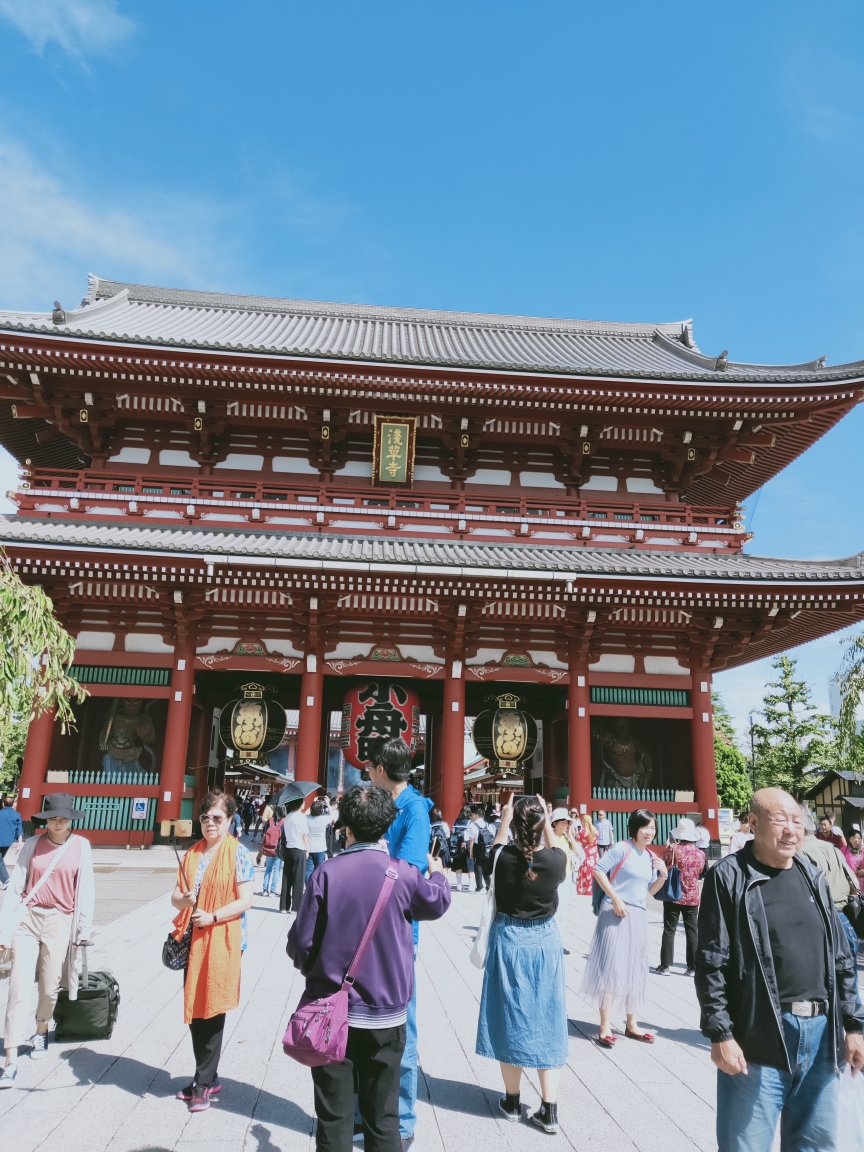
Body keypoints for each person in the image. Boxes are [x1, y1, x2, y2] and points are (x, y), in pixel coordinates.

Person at [695, 787, 864, 1152]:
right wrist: (720, 1034)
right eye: (780, 819)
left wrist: (853, 1025)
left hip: (821, 1038)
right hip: (760, 1039)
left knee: (816, 1147)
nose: (792, 829)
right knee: (746, 1146)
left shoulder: (811, 874)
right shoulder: (729, 877)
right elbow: (711, 962)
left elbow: (842, 957)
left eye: (797, 820)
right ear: (753, 823)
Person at [287, 785, 450, 1152]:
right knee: (384, 1118)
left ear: (345, 827)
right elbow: (437, 903)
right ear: (386, 825)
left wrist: (315, 972)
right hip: (387, 1017)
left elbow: (299, 943)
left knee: (333, 1118)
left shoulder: (326, 874)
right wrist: (438, 874)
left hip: (332, 1014)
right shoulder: (404, 874)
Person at [475, 794, 568, 1134]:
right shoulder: (556, 862)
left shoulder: (501, 857)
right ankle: (549, 1108)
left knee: (508, 1015)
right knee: (548, 1017)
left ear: (514, 824)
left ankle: (512, 1101)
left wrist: (504, 819)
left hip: (508, 940)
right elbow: (555, 848)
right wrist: (544, 819)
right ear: (543, 824)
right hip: (544, 942)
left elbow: (495, 848)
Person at [366, 736, 433, 1152]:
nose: (368, 775)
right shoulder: (381, 803)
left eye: (370, 768)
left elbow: (409, 871)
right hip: (364, 923)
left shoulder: (414, 811)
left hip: (397, 928)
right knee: (361, 1022)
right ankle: (362, 1112)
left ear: (381, 770)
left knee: (400, 1024)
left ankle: (403, 1120)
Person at [0, 793, 95, 1088]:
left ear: (71, 819)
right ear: (46, 819)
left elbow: (86, 890)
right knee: (17, 988)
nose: (58, 822)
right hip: (29, 918)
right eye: (53, 817)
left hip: (60, 920)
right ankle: (10, 1059)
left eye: (63, 818)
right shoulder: (32, 845)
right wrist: (4, 931)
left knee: (50, 986)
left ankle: (41, 1029)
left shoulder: (81, 846)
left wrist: (82, 933)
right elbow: (16, 888)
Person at [169, 789, 255, 1112]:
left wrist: (214, 915)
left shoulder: (238, 853)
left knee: (213, 1006)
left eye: (217, 818)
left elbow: (246, 900)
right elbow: (175, 897)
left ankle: (202, 1082)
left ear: (231, 820)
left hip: (223, 935)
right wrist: (186, 901)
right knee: (195, 1007)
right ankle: (208, 1073)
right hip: (194, 938)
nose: (210, 824)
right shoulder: (192, 854)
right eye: (205, 818)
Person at [580, 809, 668, 1047]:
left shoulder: (650, 856)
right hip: (615, 913)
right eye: (645, 827)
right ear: (634, 828)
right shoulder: (622, 848)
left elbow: (647, 892)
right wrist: (616, 899)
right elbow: (598, 870)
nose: (649, 832)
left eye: (653, 828)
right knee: (612, 968)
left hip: (637, 915)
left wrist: (663, 875)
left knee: (635, 968)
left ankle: (632, 1024)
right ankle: (605, 1025)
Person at [798, 804, 860, 956]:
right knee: (847, 974)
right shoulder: (832, 848)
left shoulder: (797, 854)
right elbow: (854, 885)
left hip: (815, 920)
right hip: (842, 917)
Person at [652, 817, 705, 977]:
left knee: (669, 929)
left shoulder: (672, 848)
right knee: (692, 930)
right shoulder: (700, 853)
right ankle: (693, 967)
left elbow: (660, 863)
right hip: (693, 896)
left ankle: (665, 965)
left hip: (673, 894)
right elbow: (701, 871)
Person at [550, 807, 578, 950]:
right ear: (555, 823)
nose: (566, 825)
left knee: (563, 911)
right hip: (555, 879)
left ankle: (559, 940)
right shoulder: (551, 838)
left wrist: (571, 836)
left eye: (567, 823)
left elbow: (579, 853)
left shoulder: (566, 839)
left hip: (566, 877)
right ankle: (552, 940)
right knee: (556, 910)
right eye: (563, 823)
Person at [279, 796, 310, 914]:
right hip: (299, 849)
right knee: (298, 879)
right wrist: (307, 849)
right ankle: (296, 907)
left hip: (289, 848)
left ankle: (284, 906)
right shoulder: (301, 817)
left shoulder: (288, 817)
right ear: (299, 804)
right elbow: (304, 836)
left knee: (286, 878)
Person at [305, 797, 333, 881]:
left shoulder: (306, 819)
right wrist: (328, 803)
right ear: (321, 810)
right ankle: (317, 887)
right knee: (319, 870)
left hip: (309, 849)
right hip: (320, 849)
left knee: (308, 870)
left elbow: (303, 814)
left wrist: (312, 803)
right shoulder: (324, 819)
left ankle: (308, 887)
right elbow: (332, 816)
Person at [0, 796, 24, 889]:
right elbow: (19, 829)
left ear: (3, 803)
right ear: (13, 803)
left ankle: (6, 880)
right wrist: (20, 842)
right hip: (8, 841)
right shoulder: (16, 815)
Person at [465, 804, 490, 892]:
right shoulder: (487, 824)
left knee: (478, 866)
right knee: (486, 866)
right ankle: (488, 886)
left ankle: (479, 887)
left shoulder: (473, 825)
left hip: (478, 846)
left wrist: (471, 851)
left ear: (476, 815)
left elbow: (471, 839)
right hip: (487, 847)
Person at [260, 808, 284, 896]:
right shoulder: (284, 822)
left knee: (268, 869)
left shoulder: (269, 821)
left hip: (268, 847)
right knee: (276, 869)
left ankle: (265, 890)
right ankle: (273, 891)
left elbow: (263, 833)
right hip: (279, 848)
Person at [575, 812, 599, 895]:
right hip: (594, 854)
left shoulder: (582, 832)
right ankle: (592, 890)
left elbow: (575, 840)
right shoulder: (596, 831)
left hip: (585, 854)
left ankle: (583, 889)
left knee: (584, 871)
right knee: (592, 871)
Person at [450, 806, 471, 891]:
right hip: (467, 845)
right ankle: (471, 885)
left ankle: (459, 884)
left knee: (458, 865)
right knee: (470, 865)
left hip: (457, 846)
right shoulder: (469, 822)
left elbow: (453, 832)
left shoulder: (456, 822)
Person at [429, 808, 452, 873]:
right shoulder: (444, 824)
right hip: (444, 848)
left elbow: (429, 837)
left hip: (434, 848)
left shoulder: (430, 826)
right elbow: (448, 835)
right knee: (445, 866)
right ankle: (445, 879)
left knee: (435, 865)